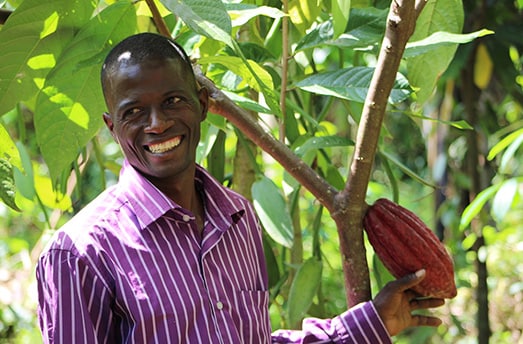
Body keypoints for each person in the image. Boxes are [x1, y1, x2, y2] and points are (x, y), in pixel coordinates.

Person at [36, 32, 445, 343]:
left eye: (174, 101)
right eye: (135, 112)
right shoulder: (80, 253)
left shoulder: (237, 216)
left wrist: (372, 321)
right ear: (112, 126)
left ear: (201, 103)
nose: (157, 123)